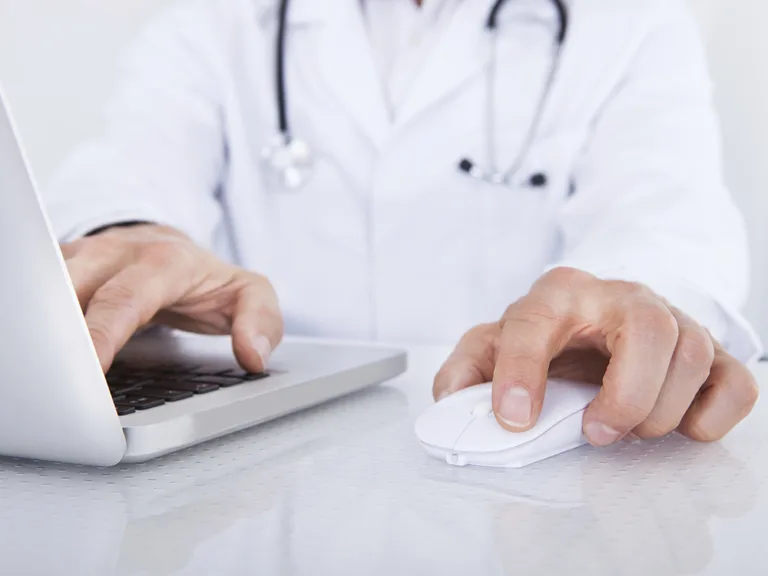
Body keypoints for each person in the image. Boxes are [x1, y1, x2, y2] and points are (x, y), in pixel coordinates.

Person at [46, 0, 760, 448]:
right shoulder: (216, 21)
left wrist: (636, 305)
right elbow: (132, 162)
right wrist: (131, 235)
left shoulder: (631, 23)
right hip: (270, 451)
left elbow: (667, 213)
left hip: (521, 448)